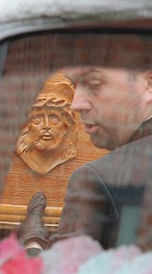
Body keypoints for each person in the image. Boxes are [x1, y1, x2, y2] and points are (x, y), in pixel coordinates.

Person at [56, 36, 152, 249]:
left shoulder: (96, 180)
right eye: (74, 85)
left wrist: (32, 245)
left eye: (94, 84)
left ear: (149, 84)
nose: (75, 104)